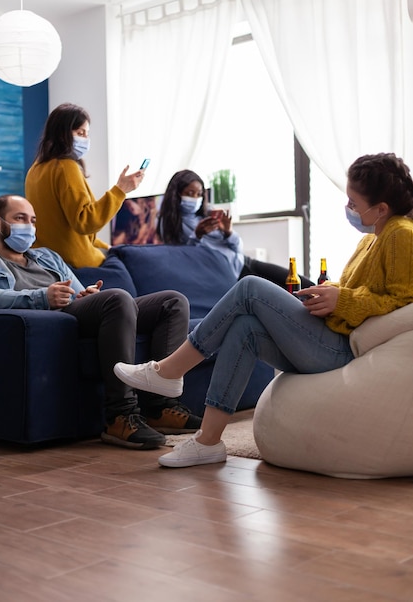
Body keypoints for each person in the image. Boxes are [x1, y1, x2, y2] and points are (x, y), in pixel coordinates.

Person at [115, 153, 413, 467]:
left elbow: (402, 300)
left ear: (380, 209)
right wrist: (332, 293)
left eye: (353, 203)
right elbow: (365, 289)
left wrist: (343, 301)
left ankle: (170, 371)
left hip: (340, 349)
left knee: (249, 287)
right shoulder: (372, 239)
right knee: (244, 328)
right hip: (331, 336)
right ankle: (208, 441)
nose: (348, 208)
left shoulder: (401, 235)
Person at [0, 194, 202, 446]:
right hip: (53, 320)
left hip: (75, 312)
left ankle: (160, 407)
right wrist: (41, 297)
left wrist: (88, 294)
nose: (28, 226)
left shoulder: (48, 257)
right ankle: (119, 415)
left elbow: (81, 291)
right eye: (19, 218)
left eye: (33, 220)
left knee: (172, 302)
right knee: (118, 298)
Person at [25, 102, 144, 268]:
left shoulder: (35, 169)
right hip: (73, 263)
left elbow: (66, 228)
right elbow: (85, 222)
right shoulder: (66, 167)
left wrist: (105, 247)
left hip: (48, 259)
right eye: (80, 133)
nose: (85, 139)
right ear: (61, 134)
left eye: (87, 134)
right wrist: (120, 190)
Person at [156, 169, 314, 289]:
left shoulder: (206, 214)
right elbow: (183, 259)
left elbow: (236, 246)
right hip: (231, 274)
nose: (196, 199)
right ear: (176, 194)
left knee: (305, 284)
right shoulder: (169, 224)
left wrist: (228, 232)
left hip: (244, 261)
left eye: (199, 194)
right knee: (287, 292)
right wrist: (197, 236)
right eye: (190, 193)